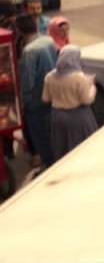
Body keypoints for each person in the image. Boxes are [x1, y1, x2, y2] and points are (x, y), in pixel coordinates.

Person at [41, 45, 99, 162]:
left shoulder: (49, 77)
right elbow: (87, 99)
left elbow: (45, 98)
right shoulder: (80, 78)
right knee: (85, 149)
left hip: (58, 118)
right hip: (79, 118)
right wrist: (92, 85)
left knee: (63, 149)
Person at [17, 14, 57, 167]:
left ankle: (50, 166)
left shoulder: (29, 51)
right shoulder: (48, 40)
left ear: (20, 31)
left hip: (35, 101)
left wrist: (23, 102)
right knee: (50, 134)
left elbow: (28, 82)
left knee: (42, 138)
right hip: (50, 95)